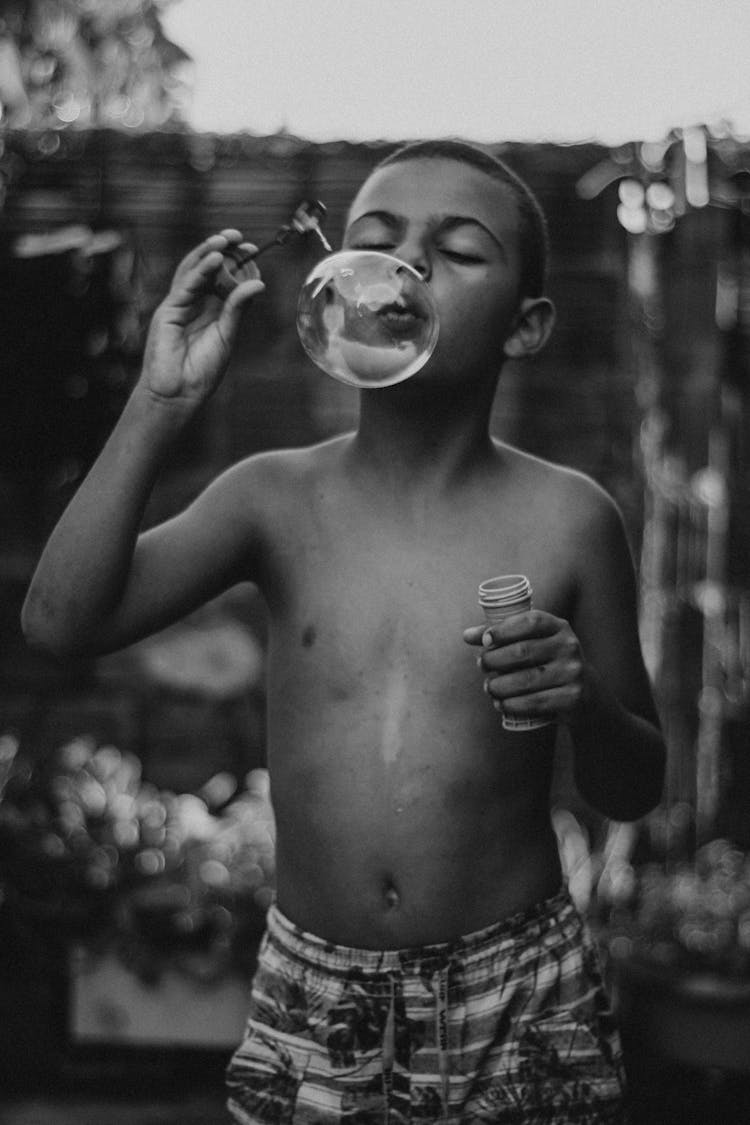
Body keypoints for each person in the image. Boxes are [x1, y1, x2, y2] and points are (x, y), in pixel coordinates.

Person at [22, 139, 665, 1123]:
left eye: (455, 250)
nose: (405, 268)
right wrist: (161, 399)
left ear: (527, 325)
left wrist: (583, 703)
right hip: (312, 994)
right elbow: (60, 622)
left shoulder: (571, 519)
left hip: (518, 988)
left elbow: (635, 786)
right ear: (336, 287)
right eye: (378, 240)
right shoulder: (272, 500)